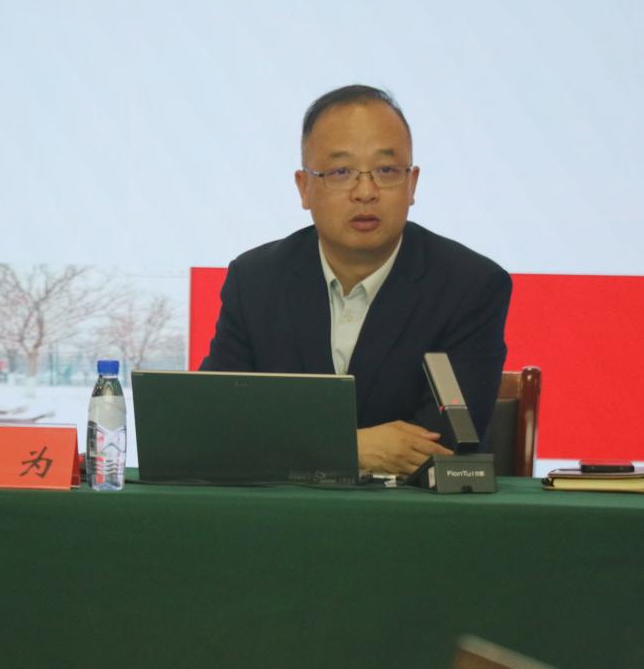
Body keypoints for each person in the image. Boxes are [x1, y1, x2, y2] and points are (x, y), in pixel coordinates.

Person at [201, 85, 511, 475]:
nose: (365, 192)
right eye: (341, 172)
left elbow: (444, 444)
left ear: (412, 184)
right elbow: (215, 426)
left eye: (386, 171)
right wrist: (352, 448)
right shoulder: (255, 281)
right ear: (304, 187)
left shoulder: (471, 287)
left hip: (411, 512)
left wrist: (292, 446)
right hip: (283, 509)